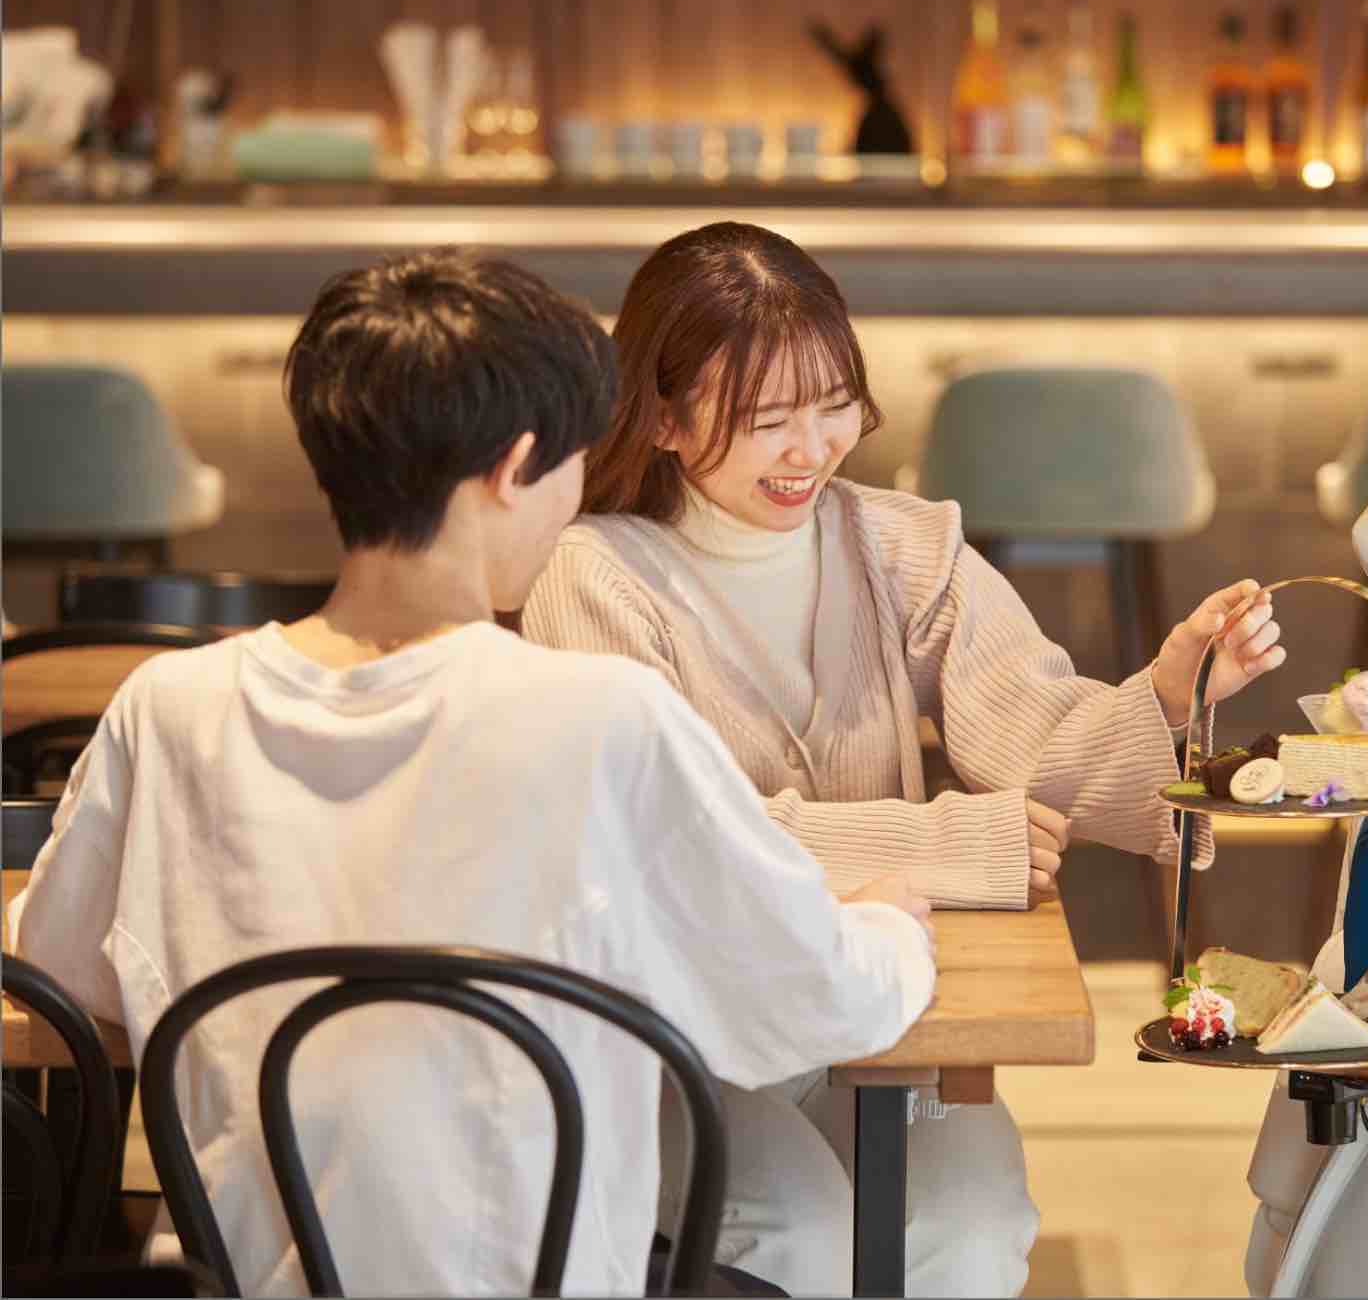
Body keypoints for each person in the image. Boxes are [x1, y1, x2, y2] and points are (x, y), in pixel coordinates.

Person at [10, 249, 938, 1297]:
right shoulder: (602, 720)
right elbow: (820, 998)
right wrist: (892, 922)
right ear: (517, 467)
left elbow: (60, 966)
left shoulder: (170, 709)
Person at [520, 221, 1286, 1297]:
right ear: (662, 413)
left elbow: (1030, 731)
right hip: (681, 1041)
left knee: (969, 1226)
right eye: (765, 419)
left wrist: (1165, 692)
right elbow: (677, 844)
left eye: (834, 405)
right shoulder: (591, 576)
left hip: (878, 1008)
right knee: (809, 1233)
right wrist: (949, 840)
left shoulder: (903, 544)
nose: (813, 449)